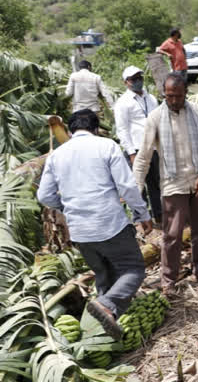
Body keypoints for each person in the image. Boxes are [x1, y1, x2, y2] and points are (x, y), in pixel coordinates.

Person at [37, 109, 152, 340]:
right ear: (95, 128)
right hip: (109, 224)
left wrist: (68, 206)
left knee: (104, 275)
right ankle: (106, 306)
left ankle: (104, 334)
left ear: (71, 131)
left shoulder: (57, 156)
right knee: (133, 269)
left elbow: (44, 195)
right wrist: (142, 213)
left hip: (80, 232)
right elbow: (127, 186)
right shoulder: (106, 146)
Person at [133, 72, 198, 294]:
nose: (174, 101)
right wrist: (134, 190)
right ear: (164, 95)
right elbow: (144, 156)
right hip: (173, 183)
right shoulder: (156, 118)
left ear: (186, 93)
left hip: (197, 181)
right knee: (172, 234)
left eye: (178, 96)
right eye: (169, 96)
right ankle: (168, 280)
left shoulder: (197, 113)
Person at [114, 65, 162, 223]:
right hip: (137, 149)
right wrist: (131, 153)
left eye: (139, 78)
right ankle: (142, 219)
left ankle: (159, 216)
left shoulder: (151, 99)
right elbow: (122, 129)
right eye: (133, 79)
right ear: (126, 82)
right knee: (137, 187)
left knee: (155, 184)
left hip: (153, 147)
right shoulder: (123, 103)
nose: (137, 81)